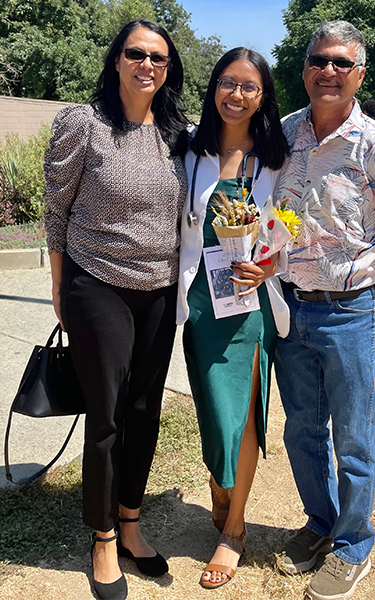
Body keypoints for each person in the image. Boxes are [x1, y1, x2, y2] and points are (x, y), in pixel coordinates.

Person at [274, 20, 375, 600]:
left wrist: (350, 255)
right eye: (319, 61)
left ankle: (354, 542)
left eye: (341, 62)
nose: (328, 71)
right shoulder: (284, 134)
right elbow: (271, 206)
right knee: (302, 431)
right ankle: (320, 524)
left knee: (354, 437)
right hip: (288, 306)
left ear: (359, 74)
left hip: (348, 312)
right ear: (305, 68)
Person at [44, 19, 189, 600]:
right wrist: (59, 286)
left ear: (168, 67)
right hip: (96, 283)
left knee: (145, 407)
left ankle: (130, 521)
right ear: (117, 60)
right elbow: (57, 210)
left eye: (158, 57)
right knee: (106, 415)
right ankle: (102, 536)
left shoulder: (181, 132)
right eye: (135, 53)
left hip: (160, 287)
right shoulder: (85, 123)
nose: (146, 64)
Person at [177, 47, 289, 589]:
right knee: (212, 411)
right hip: (199, 302)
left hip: (249, 303)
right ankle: (222, 493)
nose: (236, 95)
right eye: (227, 83)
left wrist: (267, 266)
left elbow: (293, 230)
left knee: (241, 413)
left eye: (248, 86)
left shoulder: (276, 160)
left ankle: (234, 529)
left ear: (263, 96)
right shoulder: (189, 153)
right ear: (213, 88)